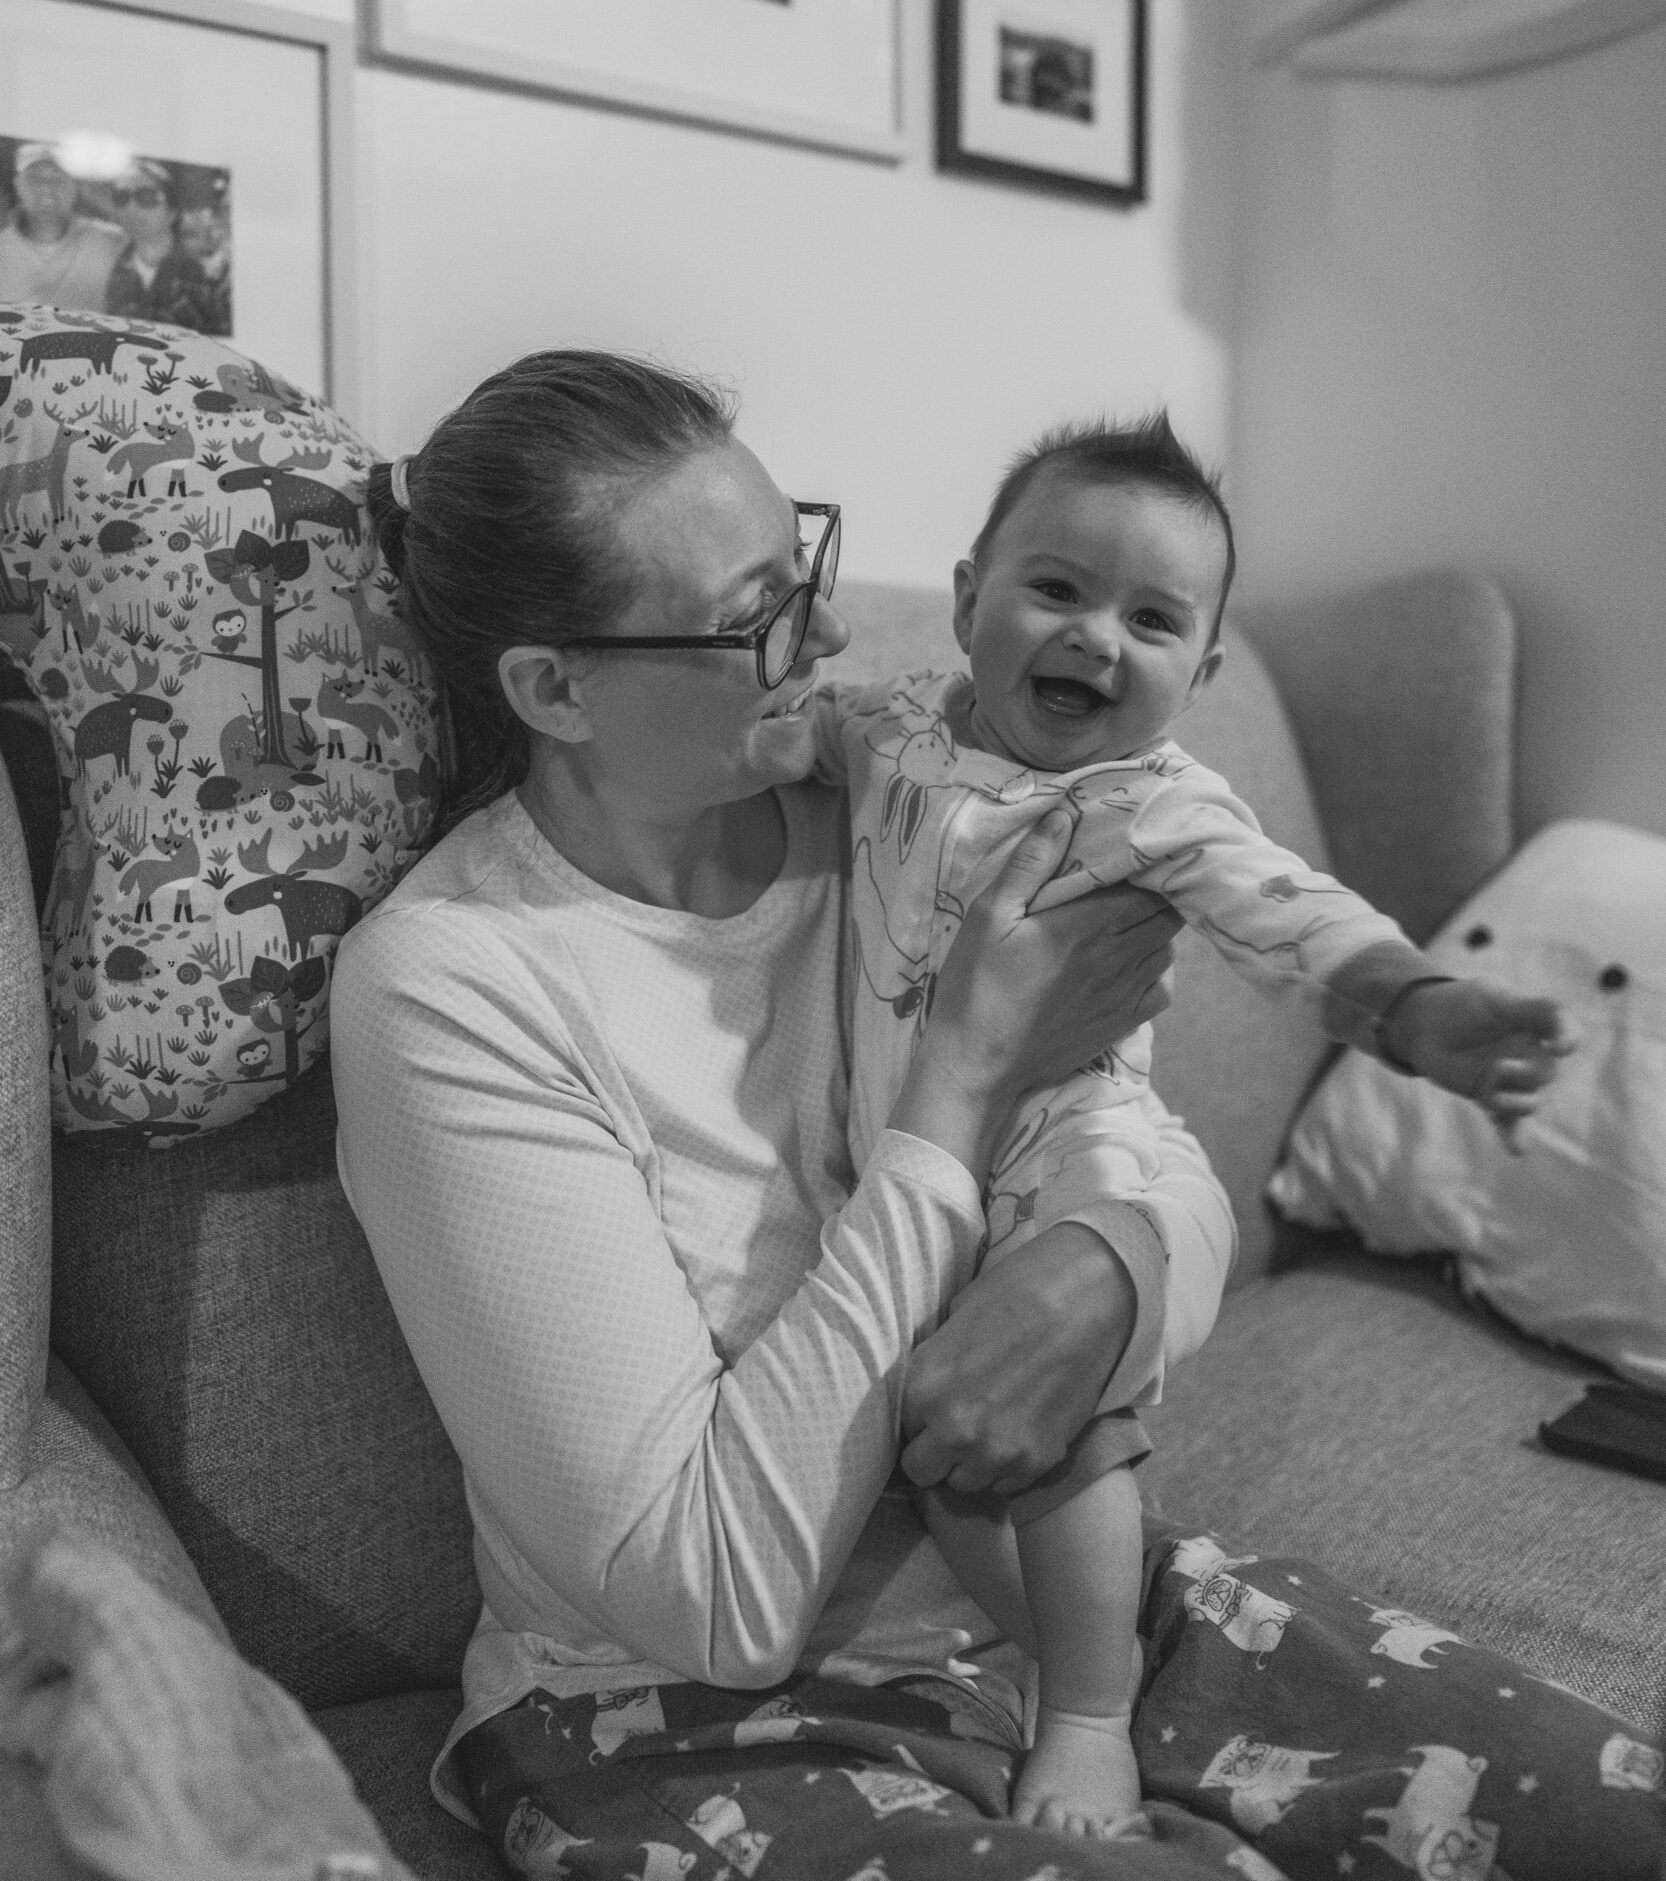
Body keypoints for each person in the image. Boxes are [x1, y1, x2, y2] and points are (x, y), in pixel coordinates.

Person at [330, 351, 1656, 1881]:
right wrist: (957, 1077)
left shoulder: (903, 806)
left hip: (1051, 1605)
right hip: (677, 1719)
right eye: (761, 613)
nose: (831, 632)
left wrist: (1106, 1273)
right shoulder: (456, 984)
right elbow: (711, 1601)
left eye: (805, 561)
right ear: (555, 689)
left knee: (1605, 1818)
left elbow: (1152, 1153)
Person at [817, 411, 1574, 1838]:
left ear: (1202, 675)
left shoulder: (1153, 802)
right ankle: (1061, 1648)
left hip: (1069, 1141)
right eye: (1056, 588)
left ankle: (1091, 1714)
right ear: (969, 595)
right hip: (903, 1152)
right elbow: (805, 737)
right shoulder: (897, 721)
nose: (1094, 637)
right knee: (951, 1452)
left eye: (1150, 620)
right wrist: (760, 739)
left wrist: (1412, 1006)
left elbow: (1288, 913)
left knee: (1061, 1426)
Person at [101, 161, 230, 334]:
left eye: (146, 197)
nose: (131, 207)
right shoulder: (108, 270)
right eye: (121, 197)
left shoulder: (210, 275)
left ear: (172, 212)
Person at [0, 141, 121, 309]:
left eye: (59, 178)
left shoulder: (107, 240)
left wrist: (112, 204)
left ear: (76, 187)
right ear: (18, 185)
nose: (47, 187)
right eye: (35, 178)